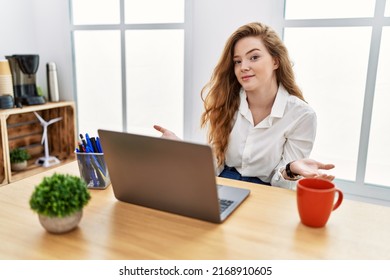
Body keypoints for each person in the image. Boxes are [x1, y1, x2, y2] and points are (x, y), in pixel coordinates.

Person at [154, 22, 334, 189]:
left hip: (266, 193)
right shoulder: (225, 102)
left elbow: (281, 187)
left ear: (275, 61)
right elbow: (214, 164)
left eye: (254, 57)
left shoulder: (301, 115)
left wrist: (291, 168)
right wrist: (181, 149)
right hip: (222, 184)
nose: (243, 67)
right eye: (238, 61)